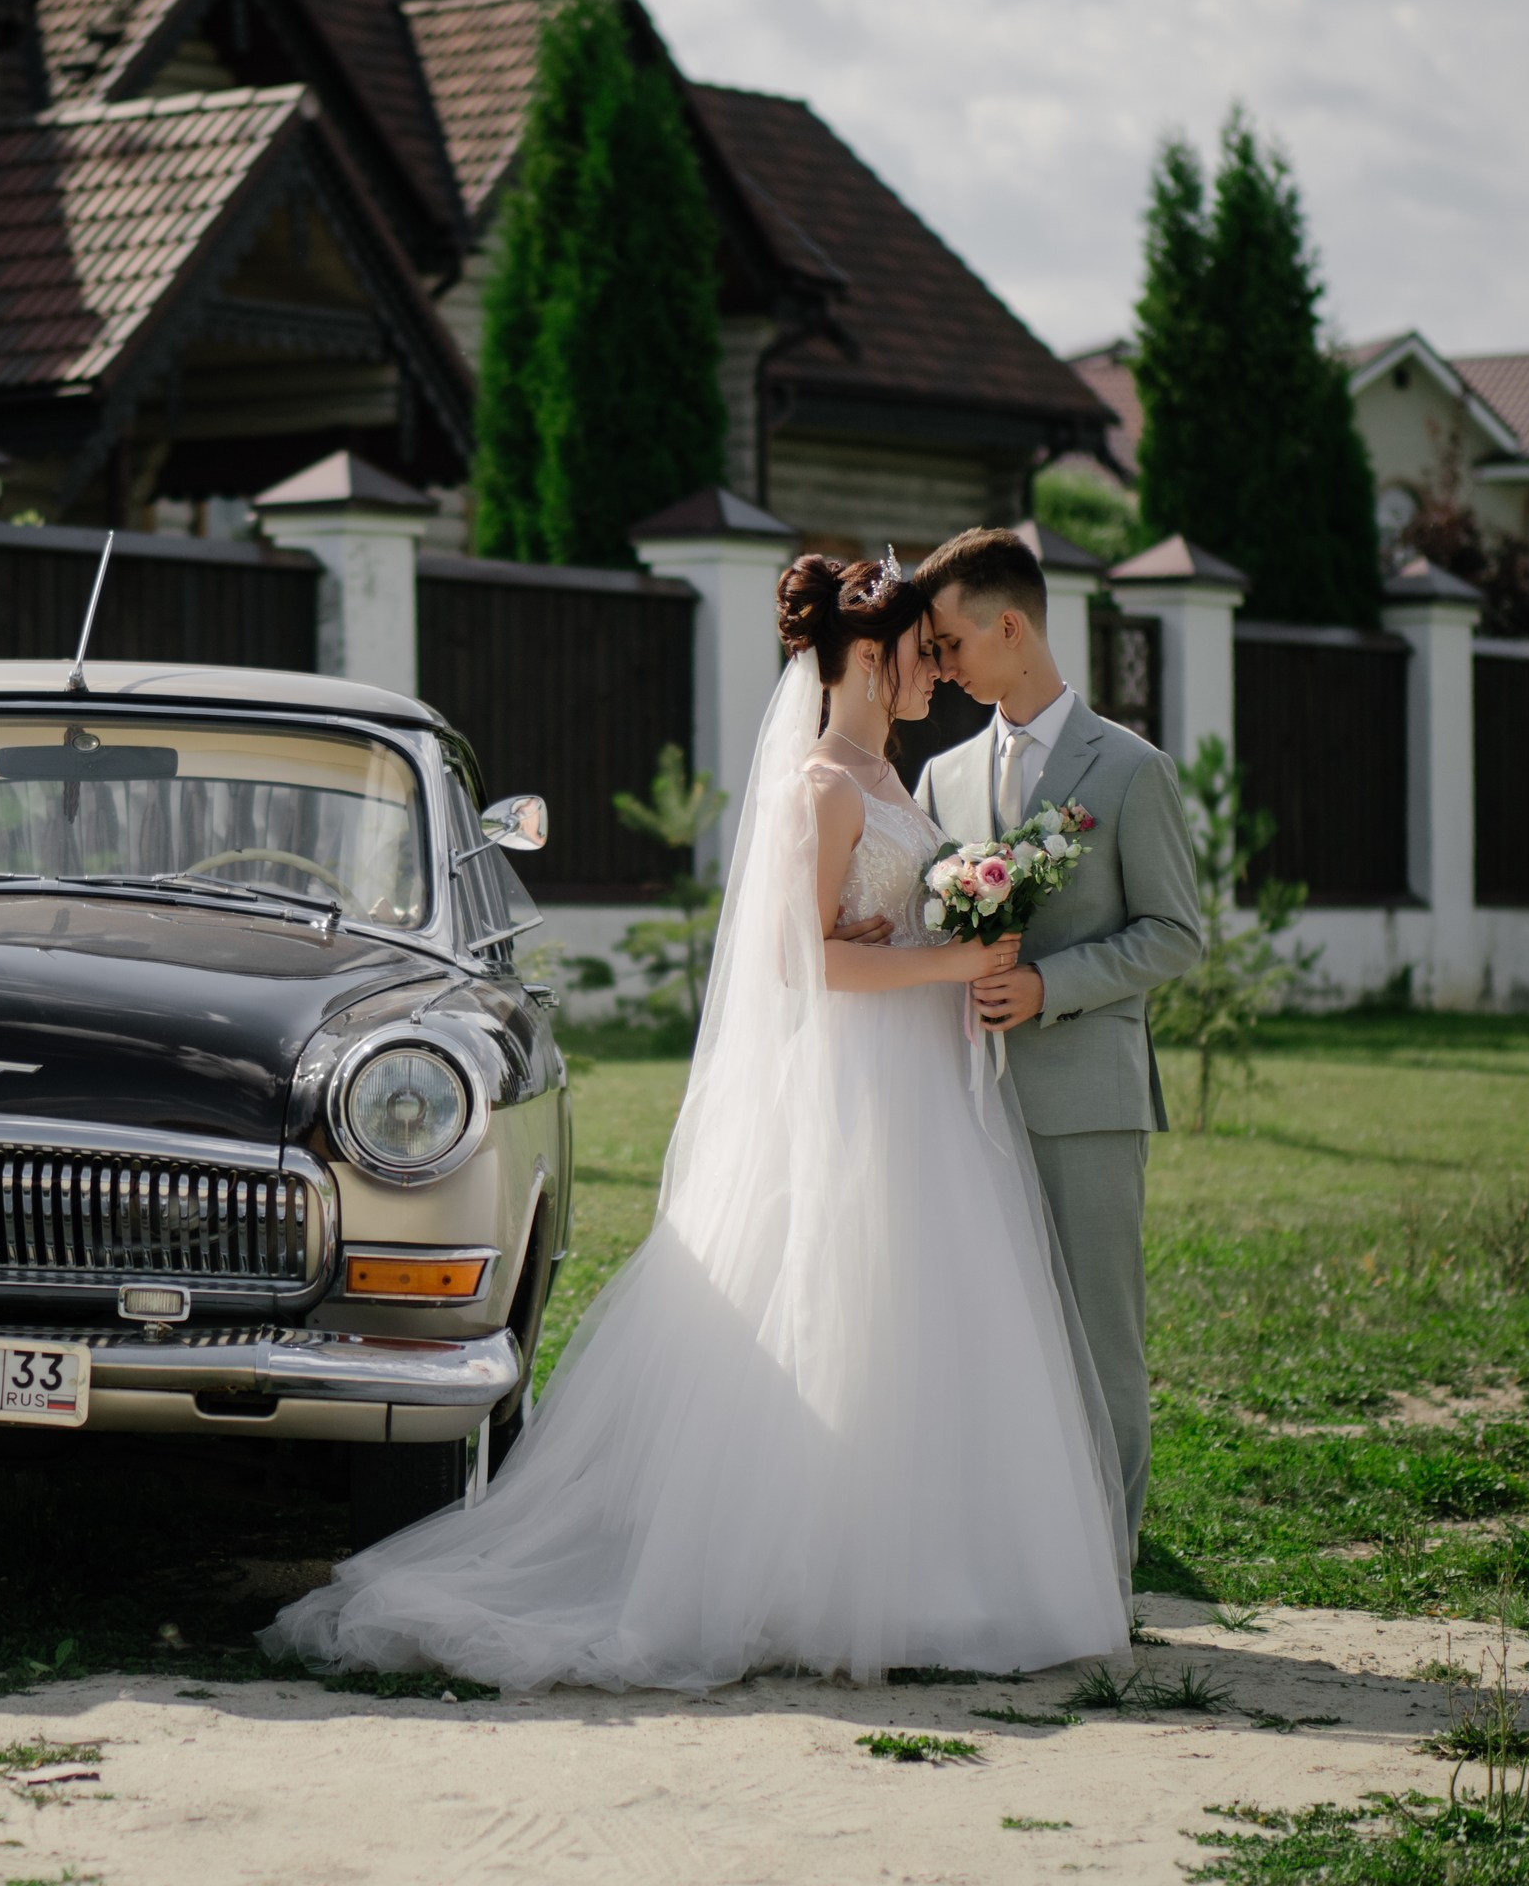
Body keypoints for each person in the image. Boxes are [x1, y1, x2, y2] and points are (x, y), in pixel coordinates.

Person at [263, 553, 1132, 1693]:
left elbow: (868, 921)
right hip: (863, 1084)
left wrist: (936, 936)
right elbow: (802, 962)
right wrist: (953, 953)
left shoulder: (892, 777)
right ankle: (827, 1576)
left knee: (919, 1319)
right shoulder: (821, 783)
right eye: (922, 654)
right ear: (867, 656)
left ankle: (925, 1569)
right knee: (849, 1305)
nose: (936, 672)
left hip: (919, 1079)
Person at [913, 528, 1202, 1538]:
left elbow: (1175, 934)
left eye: (948, 643)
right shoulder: (941, 776)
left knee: (1095, 1342)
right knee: (988, 1338)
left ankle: (1107, 1566)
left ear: (1009, 625)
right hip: (966, 1110)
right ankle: (1010, 1555)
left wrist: (1050, 985)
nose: (937, 665)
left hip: (1084, 1101)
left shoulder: (1129, 770)